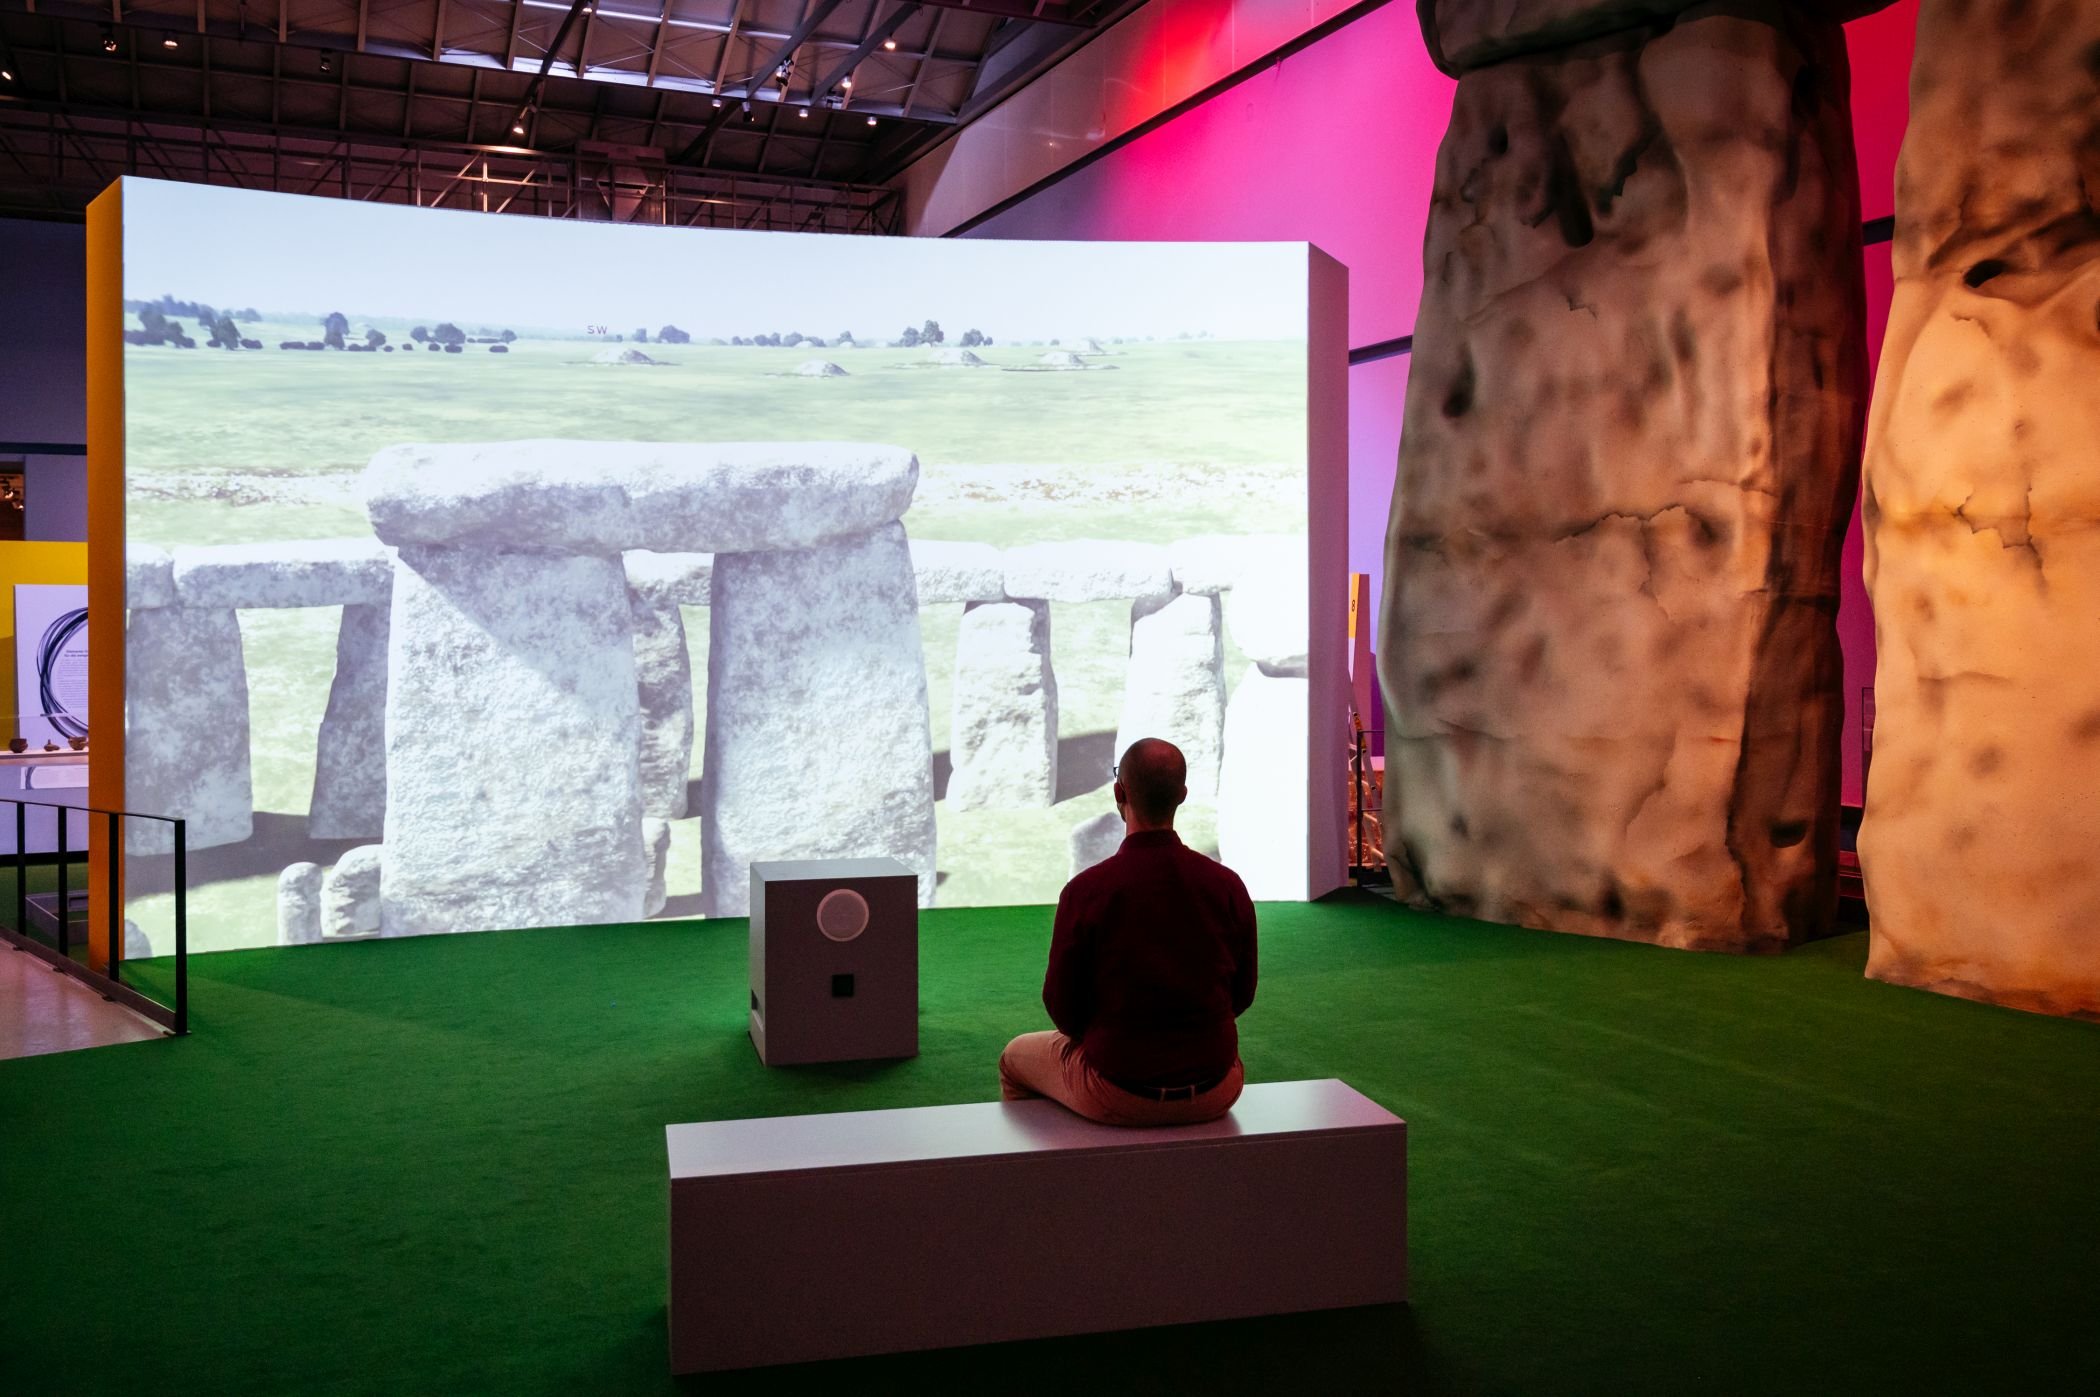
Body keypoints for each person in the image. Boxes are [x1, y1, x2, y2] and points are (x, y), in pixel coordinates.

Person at [998, 737, 1258, 1126]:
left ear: (1119, 792)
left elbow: (1062, 1009)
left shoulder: (1087, 891)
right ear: (1182, 795)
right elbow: (1242, 994)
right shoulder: (1227, 886)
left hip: (1117, 1089)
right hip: (1215, 1087)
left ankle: (1049, 1177)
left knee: (1014, 1059)